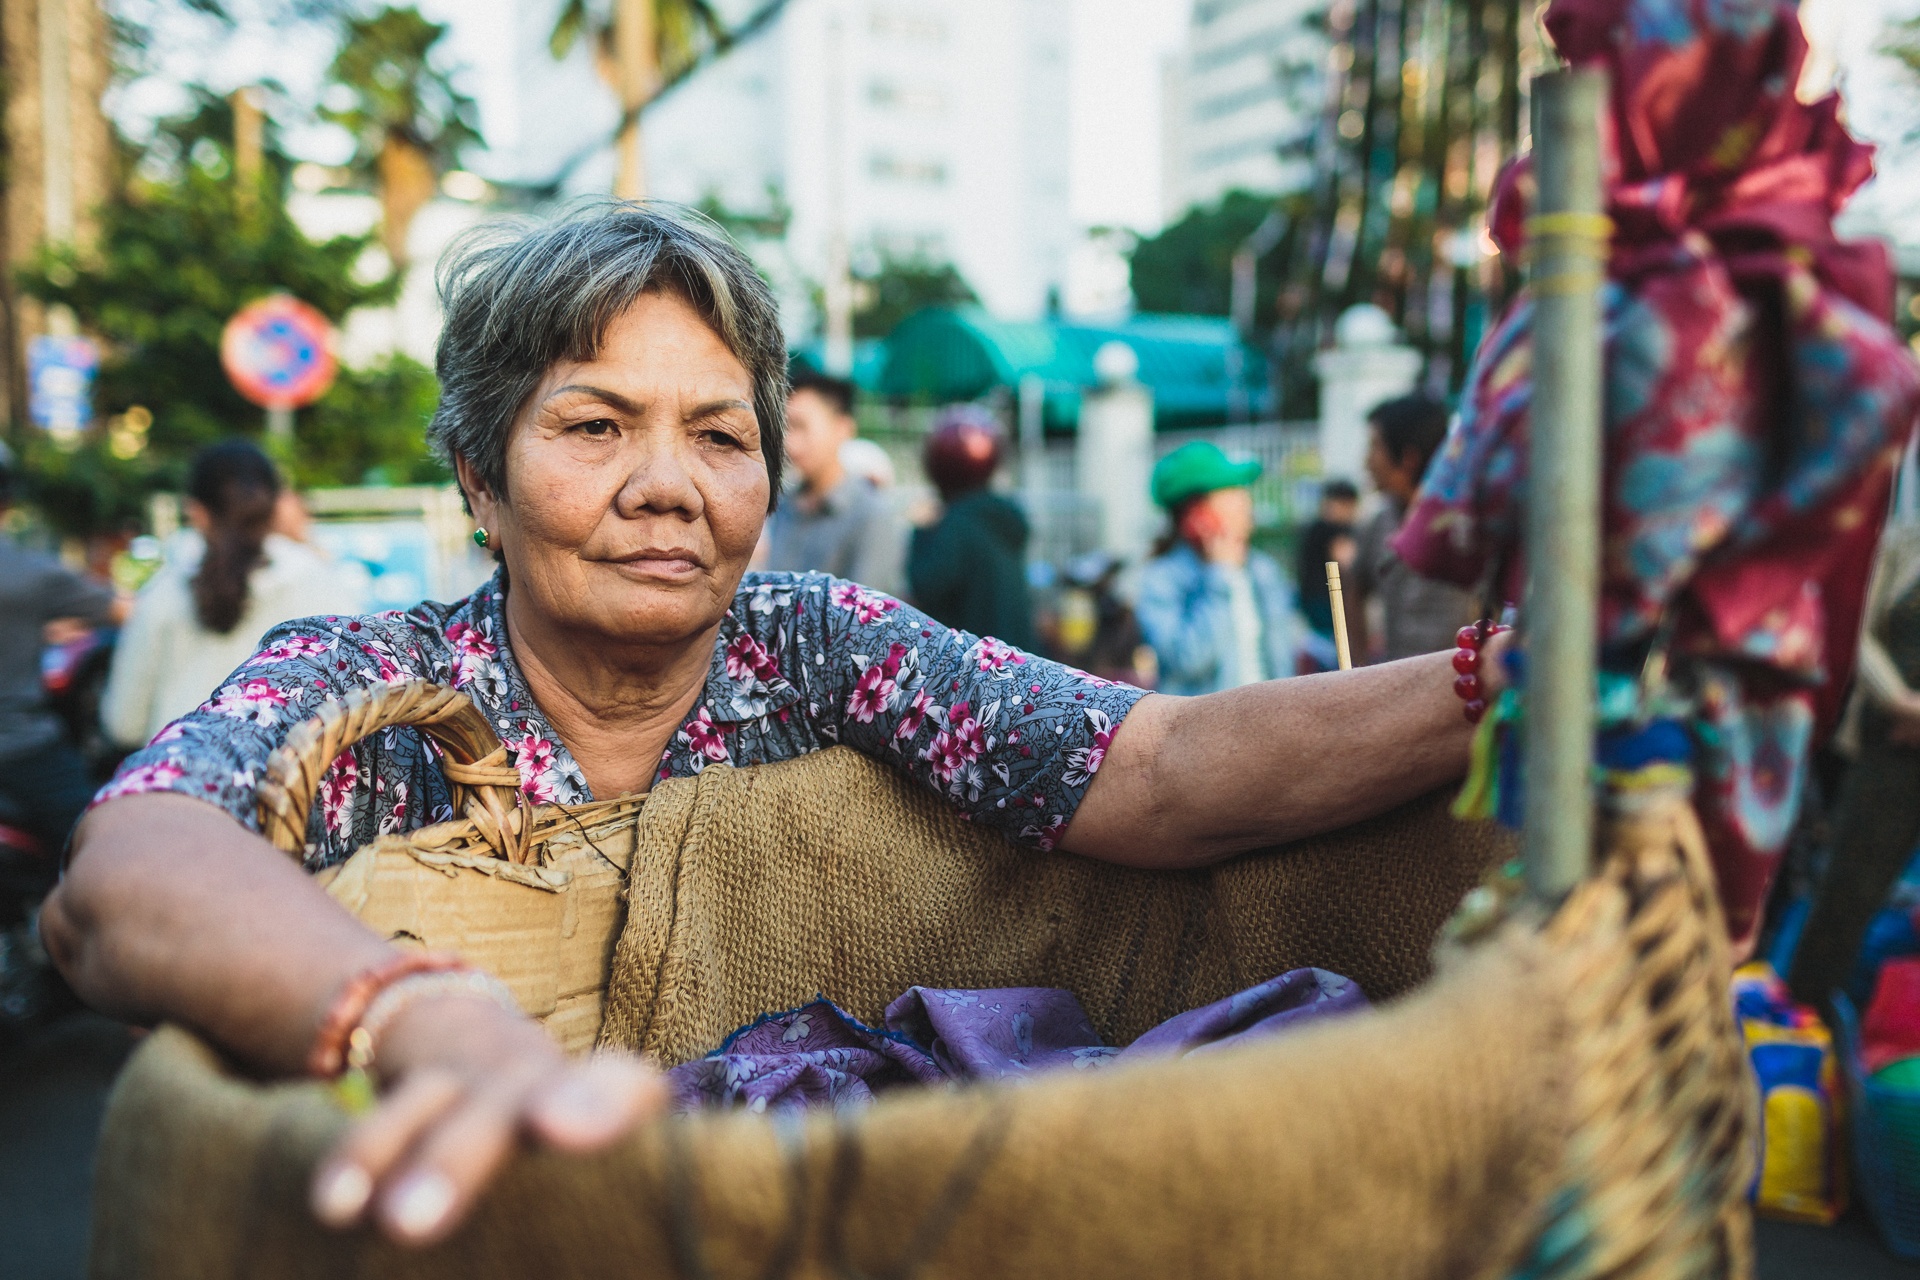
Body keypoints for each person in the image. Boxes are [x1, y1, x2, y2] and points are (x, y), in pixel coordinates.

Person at [44, 203, 1502, 1249]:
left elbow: (1159, 765)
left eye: (720, 434)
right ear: (481, 480)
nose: (669, 485)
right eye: (594, 425)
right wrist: (423, 1016)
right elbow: (122, 872)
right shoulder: (378, 680)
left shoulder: (815, 645)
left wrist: (1508, 672)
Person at [100, 441, 367, 750]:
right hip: (298, 774)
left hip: (182, 771)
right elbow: (361, 699)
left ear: (196, 512)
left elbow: (123, 724)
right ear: (276, 505)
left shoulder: (162, 593)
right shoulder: (321, 582)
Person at [1787, 522, 1920, 1011]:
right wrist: (1899, 701)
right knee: (1843, 899)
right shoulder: (1905, 544)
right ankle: (1801, 1020)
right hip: (1892, 746)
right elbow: (1853, 629)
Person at [0, 444, 124, 870]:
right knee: (100, 842)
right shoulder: (30, 575)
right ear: (8, 502)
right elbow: (126, 612)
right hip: (21, 745)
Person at [1135, 441, 1297, 696]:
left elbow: (1283, 660)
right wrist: (1219, 576)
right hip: (1206, 719)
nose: (1245, 503)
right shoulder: (1161, 579)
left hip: (1268, 715)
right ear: (1195, 516)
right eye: (1231, 493)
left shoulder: (1263, 570)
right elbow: (1187, 660)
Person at [1349, 396, 1481, 663]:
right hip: (1396, 681)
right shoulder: (1378, 524)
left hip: (1464, 681)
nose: (1366, 462)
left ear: (1408, 458)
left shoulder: (1467, 523)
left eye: (1375, 447)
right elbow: (1352, 589)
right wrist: (1357, 667)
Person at [906, 406, 1037, 650]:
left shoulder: (954, 525)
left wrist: (921, 532)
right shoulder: (1005, 516)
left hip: (973, 660)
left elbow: (926, 586)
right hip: (1015, 658)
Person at [761, 372, 903, 593]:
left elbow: (867, 606)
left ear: (842, 428)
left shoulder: (872, 515)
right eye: (786, 428)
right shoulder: (783, 504)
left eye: (800, 426)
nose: (790, 443)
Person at [1294, 479, 1360, 673]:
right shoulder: (1334, 529)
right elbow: (1346, 560)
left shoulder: (1313, 527)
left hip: (1312, 602)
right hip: (1327, 604)